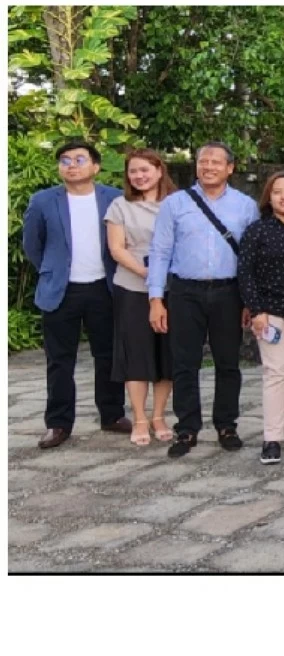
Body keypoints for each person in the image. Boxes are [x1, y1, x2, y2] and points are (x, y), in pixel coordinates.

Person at [148, 141, 258, 458]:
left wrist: (250, 301)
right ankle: (186, 428)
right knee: (184, 363)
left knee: (228, 362)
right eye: (203, 161)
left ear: (230, 168)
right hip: (185, 291)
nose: (208, 167)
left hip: (229, 292)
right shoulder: (175, 203)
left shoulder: (245, 206)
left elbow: (251, 258)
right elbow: (160, 252)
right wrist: (156, 298)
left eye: (216, 162)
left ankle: (227, 425)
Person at [23, 140, 129, 449]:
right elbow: (32, 244)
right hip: (61, 289)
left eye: (79, 159)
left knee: (107, 355)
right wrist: (51, 271)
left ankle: (111, 414)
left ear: (96, 166)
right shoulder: (43, 201)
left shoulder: (114, 198)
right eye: (65, 160)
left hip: (104, 287)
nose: (71, 165)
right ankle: (58, 423)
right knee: (59, 360)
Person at [105, 148, 177, 446]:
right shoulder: (119, 205)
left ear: (159, 171)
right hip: (132, 288)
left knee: (166, 355)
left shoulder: (177, 203)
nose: (139, 176)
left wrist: (163, 275)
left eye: (145, 169)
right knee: (136, 355)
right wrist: (148, 274)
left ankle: (159, 416)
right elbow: (116, 248)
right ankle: (139, 418)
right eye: (133, 171)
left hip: (173, 289)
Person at [239, 171, 284, 465]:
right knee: (277, 373)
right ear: (269, 197)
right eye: (278, 192)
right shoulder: (258, 230)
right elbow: (245, 273)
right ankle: (272, 437)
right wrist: (256, 310)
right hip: (271, 313)